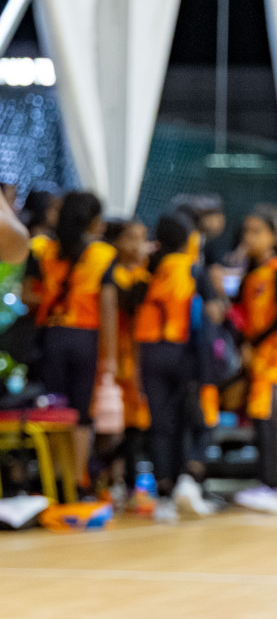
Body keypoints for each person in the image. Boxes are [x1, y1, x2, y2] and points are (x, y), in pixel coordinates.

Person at [25, 190, 115, 494]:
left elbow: (27, 295)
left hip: (52, 336)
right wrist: (112, 355)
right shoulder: (102, 256)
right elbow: (108, 307)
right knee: (80, 412)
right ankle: (77, 481)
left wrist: (51, 300)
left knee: (53, 410)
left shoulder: (42, 250)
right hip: (86, 338)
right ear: (91, 222)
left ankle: (52, 481)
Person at [136, 212, 216, 521]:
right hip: (184, 352)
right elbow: (211, 311)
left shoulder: (149, 269)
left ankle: (164, 493)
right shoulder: (193, 269)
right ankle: (188, 482)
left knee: (159, 423)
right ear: (187, 239)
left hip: (150, 352)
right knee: (192, 419)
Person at [232, 205, 277, 514]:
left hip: (269, 358)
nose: (250, 237)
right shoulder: (251, 272)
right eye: (247, 231)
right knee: (260, 420)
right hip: (255, 358)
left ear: (274, 236)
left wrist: (252, 342)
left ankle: (270, 484)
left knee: (266, 421)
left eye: (257, 231)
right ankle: (268, 483)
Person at [103, 217, 152, 500]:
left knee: (135, 423)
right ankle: (110, 478)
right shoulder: (114, 275)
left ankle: (132, 484)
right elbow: (128, 302)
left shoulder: (142, 274)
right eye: (132, 237)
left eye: (142, 237)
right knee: (113, 425)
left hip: (137, 358)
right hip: (115, 360)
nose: (139, 245)